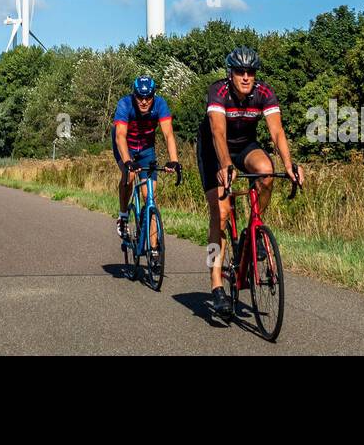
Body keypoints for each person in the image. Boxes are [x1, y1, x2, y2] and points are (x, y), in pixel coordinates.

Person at [197, 46, 303, 318]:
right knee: (219, 215)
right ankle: (216, 284)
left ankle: (252, 232)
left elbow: (277, 132)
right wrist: (225, 165)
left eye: (251, 72)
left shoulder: (264, 93)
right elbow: (218, 133)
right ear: (230, 73)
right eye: (240, 72)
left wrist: (289, 165)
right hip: (214, 151)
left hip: (245, 146)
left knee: (267, 171)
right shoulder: (218, 92)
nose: (246, 77)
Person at [112, 75, 181, 240]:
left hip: (146, 148)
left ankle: (154, 250)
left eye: (148, 97)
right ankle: (123, 216)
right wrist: (128, 161)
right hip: (125, 146)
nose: (144, 101)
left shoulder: (160, 104)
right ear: (134, 95)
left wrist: (174, 160)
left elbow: (168, 135)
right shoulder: (125, 104)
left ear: (154, 95)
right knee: (129, 175)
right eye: (140, 97)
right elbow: (120, 136)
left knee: (149, 195)